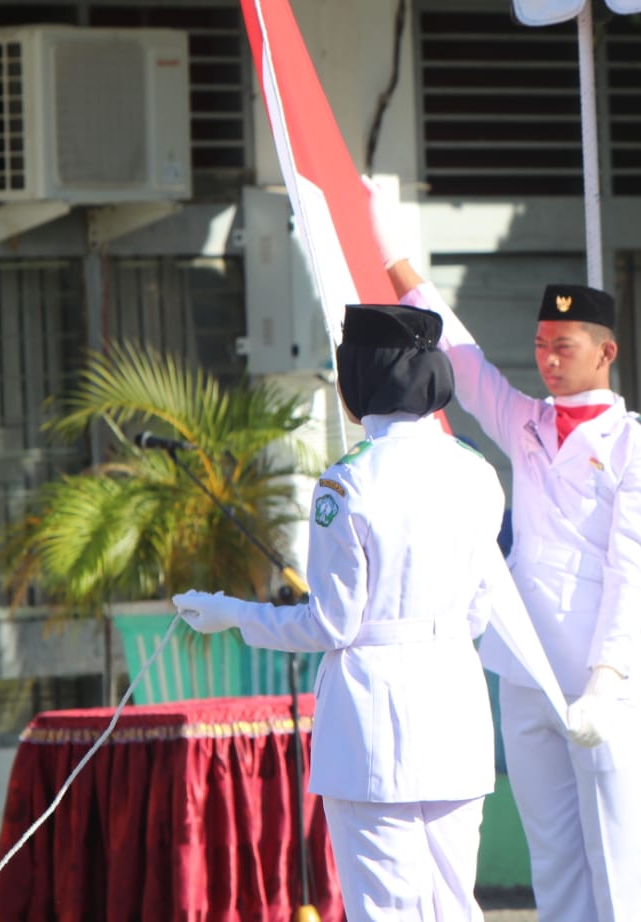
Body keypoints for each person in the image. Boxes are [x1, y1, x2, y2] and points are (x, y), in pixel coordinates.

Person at [373, 204, 641, 921]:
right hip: (527, 667)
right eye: (540, 343)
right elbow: (467, 362)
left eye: (563, 345)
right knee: (554, 855)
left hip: (603, 673)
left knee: (623, 857)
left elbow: (630, 568)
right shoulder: (529, 422)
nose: (546, 358)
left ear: (605, 352)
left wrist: (603, 681)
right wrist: (401, 266)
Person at [172, 304, 519, 920]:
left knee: (385, 907)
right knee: (454, 904)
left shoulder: (346, 484)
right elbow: (479, 609)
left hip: (373, 718)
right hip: (456, 706)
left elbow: (330, 624)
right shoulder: (477, 470)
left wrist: (234, 614)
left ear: (359, 381)